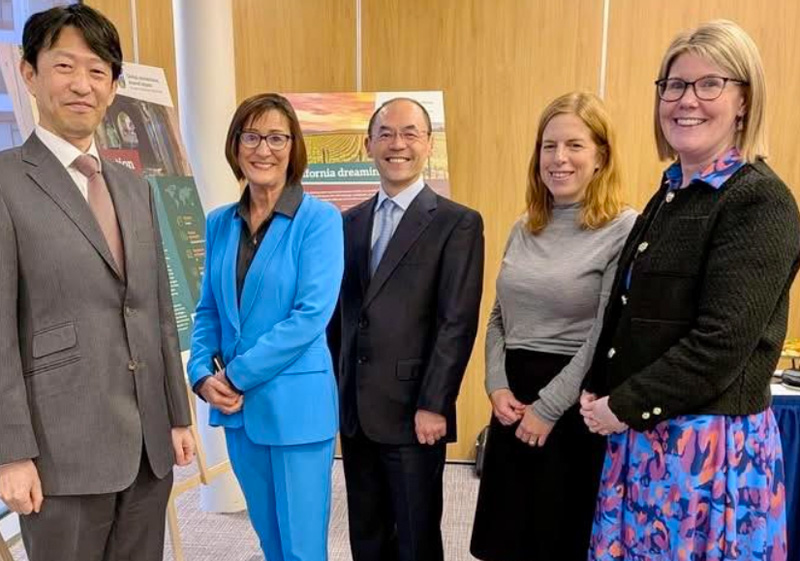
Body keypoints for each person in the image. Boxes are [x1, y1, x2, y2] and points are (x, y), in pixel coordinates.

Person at [581, 20, 799, 561]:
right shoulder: (673, 190)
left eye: (709, 84)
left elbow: (720, 343)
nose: (687, 100)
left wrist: (623, 404)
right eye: (674, 85)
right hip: (645, 439)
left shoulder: (759, 201)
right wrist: (599, 384)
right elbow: (630, 311)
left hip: (706, 457)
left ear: (744, 100)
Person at [0, 5, 195, 561]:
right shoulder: (6, 181)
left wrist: (177, 415)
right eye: (64, 67)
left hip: (148, 447)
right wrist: (10, 452)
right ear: (30, 74)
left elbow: (156, 311)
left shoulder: (136, 188)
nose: (82, 85)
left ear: (112, 86)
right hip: (60, 452)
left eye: (98, 70)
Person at [469, 92, 636, 561]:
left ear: (601, 156)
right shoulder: (525, 225)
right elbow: (500, 314)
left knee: (557, 540)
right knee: (506, 541)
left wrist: (548, 408)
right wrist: (496, 384)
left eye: (574, 145)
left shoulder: (624, 228)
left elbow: (605, 332)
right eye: (549, 145)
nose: (558, 158)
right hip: (512, 401)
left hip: (572, 406)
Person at [187, 93, 343, 561]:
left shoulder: (319, 220)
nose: (263, 150)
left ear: (294, 147)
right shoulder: (220, 222)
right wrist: (201, 375)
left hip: (296, 409)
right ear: (235, 146)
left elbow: (310, 317)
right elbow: (208, 309)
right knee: (270, 542)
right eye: (251, 137)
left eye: (277, 138)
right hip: (238, 412)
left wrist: (234, 376)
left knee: (302, 549)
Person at [330, 97, 484, 561]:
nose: (397, 144)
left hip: (415, 412)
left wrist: (435, 404)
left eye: (410, 133)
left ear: (429, 144)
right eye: (386, 134)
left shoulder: (457, 223)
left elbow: (456, 322)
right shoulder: (347, 223)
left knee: (416, 538)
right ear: (368, 145)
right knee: (367, 534)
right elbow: (339, 318)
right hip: (356, 411)